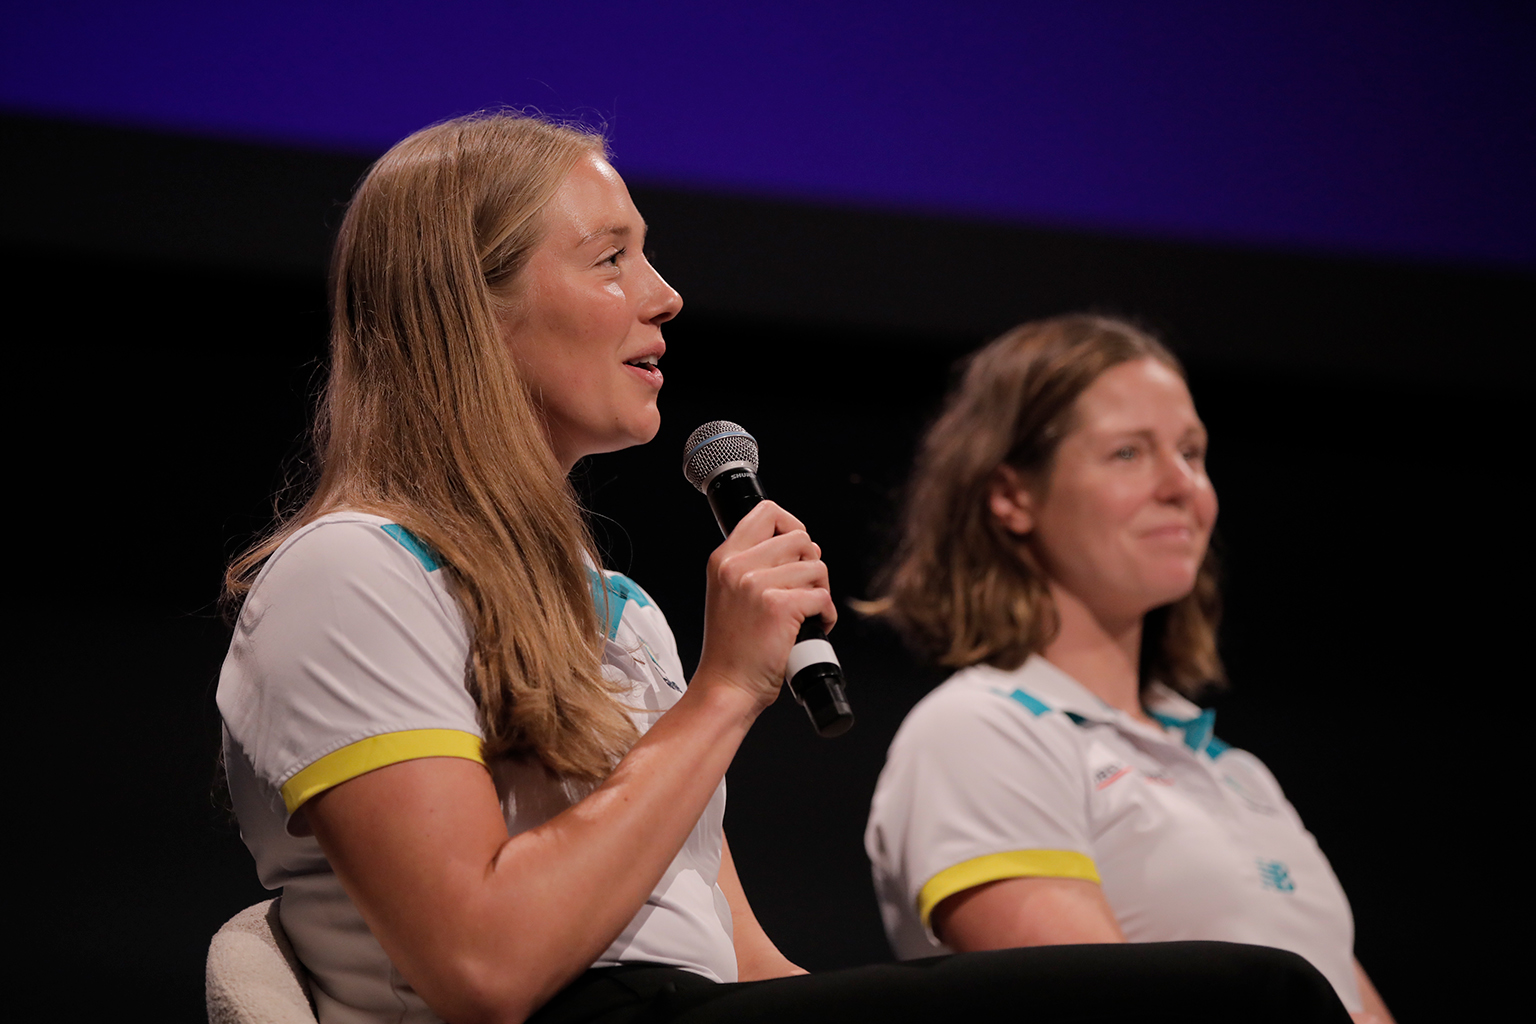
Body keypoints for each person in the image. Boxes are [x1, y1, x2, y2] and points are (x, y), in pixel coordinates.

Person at [217, 113, 1352, 1024]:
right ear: (472, 309)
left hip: (690, 1002)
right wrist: (723, 693)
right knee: (1248, 1000)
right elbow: (481, 964)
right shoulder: (352, 577)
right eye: (612, 258)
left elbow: (736, 955)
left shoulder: (617, 614)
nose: (664, 294)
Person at [862, 315, 1395, 1023]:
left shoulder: (1237, 771)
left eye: (1193, 453)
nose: (1183, 485)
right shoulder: (981, 731)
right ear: (1012, 495)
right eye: (1128, 454)